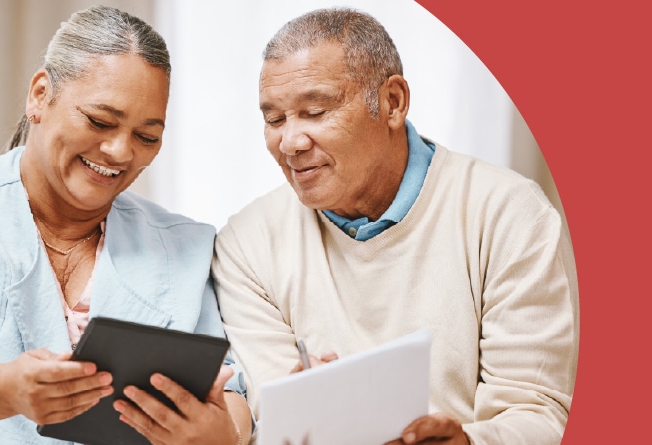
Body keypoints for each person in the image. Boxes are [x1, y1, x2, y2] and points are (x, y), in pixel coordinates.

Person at [0, 6, 251, 445]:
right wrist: (0, 391)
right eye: (100, 121)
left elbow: (229, 390)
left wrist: (224, 437)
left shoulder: (185, 248)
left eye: (147, 137)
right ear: (40, 95)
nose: (120, 151)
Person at [212, 7, 578, 445]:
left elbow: (537, 416)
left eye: (314, 110)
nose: (289, 142)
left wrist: (466, 442)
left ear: (392, 103)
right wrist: (304, 413)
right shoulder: (246, 243)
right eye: (274, 120)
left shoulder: (508, 213)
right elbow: (266, 424)